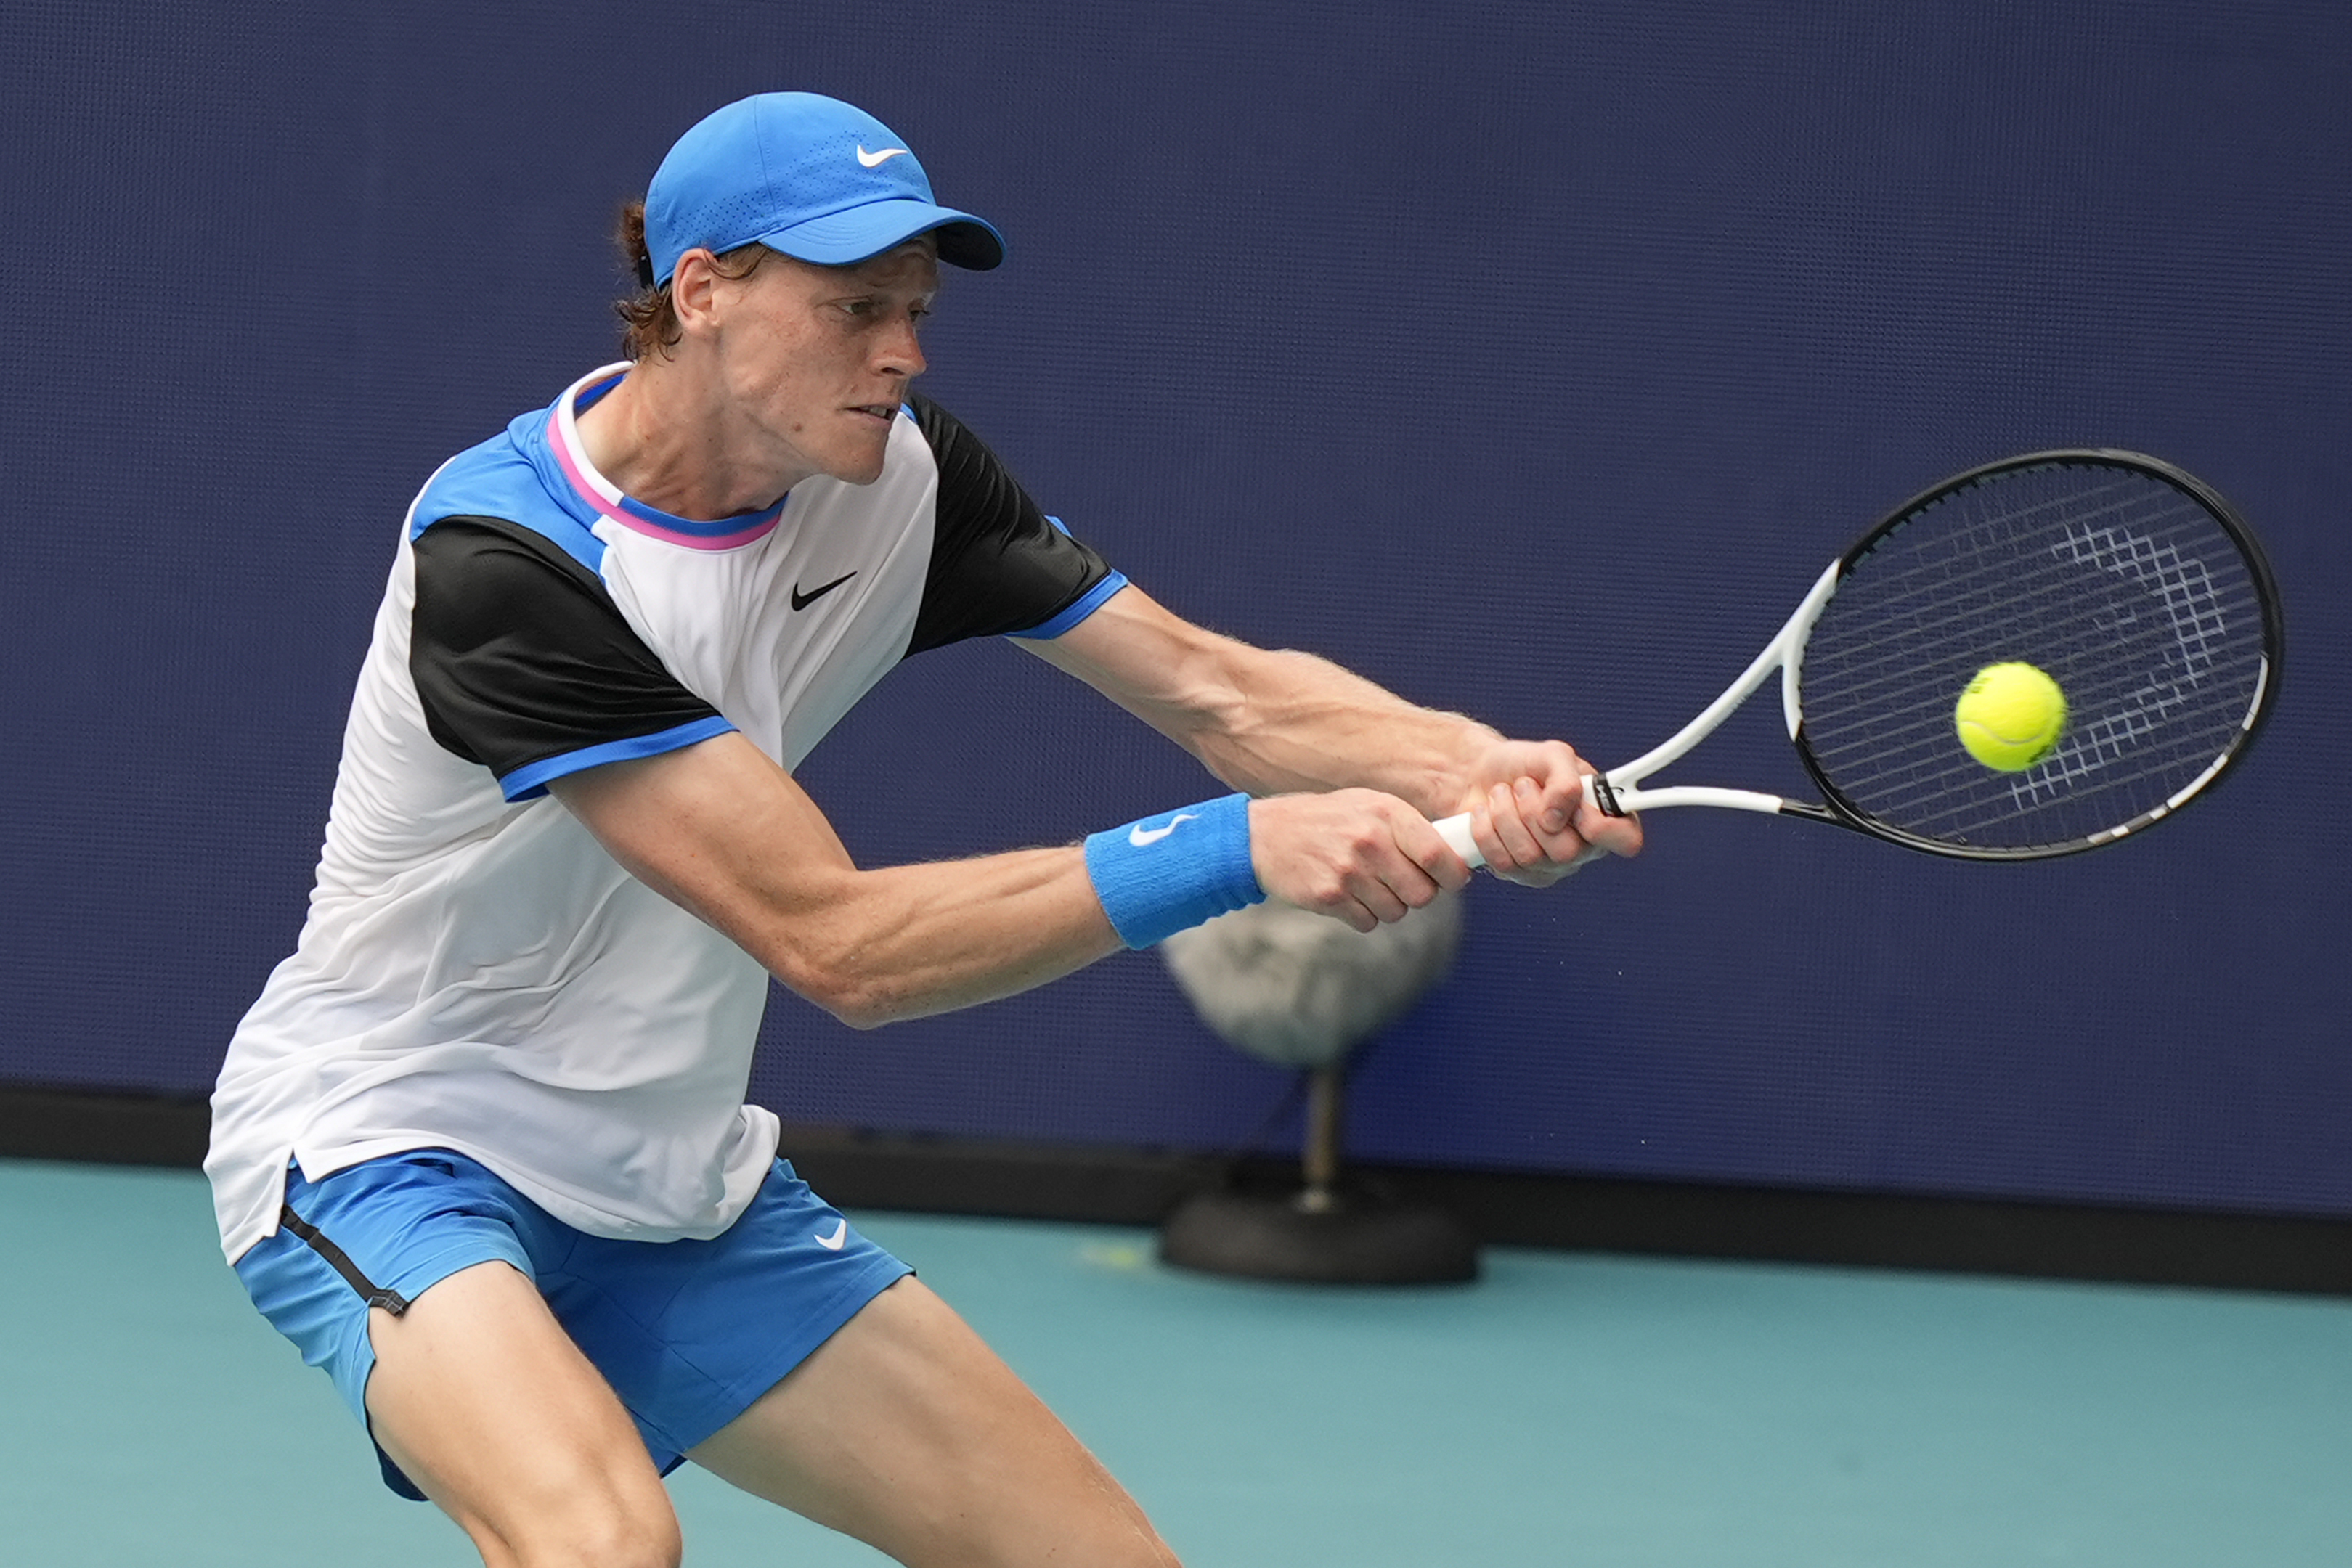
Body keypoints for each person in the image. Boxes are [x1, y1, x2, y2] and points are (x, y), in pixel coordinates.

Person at [206, 90, 1640, 1568]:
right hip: (392, 1137)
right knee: (599, 1545)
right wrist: (1241, 850)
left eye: (915, 308)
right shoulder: (509, 563)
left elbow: (1221, 692)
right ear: (702, 293)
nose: (903, 351)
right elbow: (835, 944)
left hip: (671, 1174)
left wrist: (1477, 767)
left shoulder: (903, 481)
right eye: (853, 309)